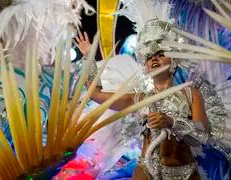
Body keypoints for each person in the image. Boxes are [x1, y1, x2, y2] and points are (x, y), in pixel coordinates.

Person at [76, 25, 208, 179]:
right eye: (149, 56)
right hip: (145, 172)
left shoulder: (190, 94)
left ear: (173, 60)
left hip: (184, 173)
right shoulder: (137, 99)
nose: (154, 58)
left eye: (160, 54)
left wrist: (171, 122)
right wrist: (89, 57)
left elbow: (202, 135)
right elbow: (95, 94)